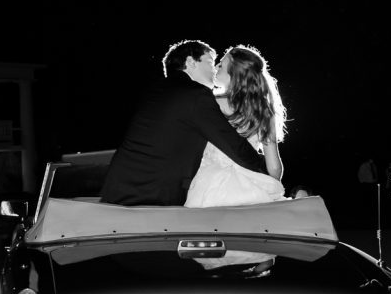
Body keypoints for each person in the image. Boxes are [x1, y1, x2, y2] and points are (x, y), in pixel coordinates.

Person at [100, 40, 268, 206]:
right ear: (190, 62)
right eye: (209, 62)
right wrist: (265, 172)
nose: (214, 70)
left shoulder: (156, 90)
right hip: (151, 194)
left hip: (118, 187)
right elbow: (232, 144)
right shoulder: (195, 95)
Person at [184, 44, 287, 208]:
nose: (216, 67)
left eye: (222, 65)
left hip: (210, 184)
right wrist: (271, 188)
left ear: (234, 73)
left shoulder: (210, 102)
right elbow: (274, 167)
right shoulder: (264, 110)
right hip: (251, 183)